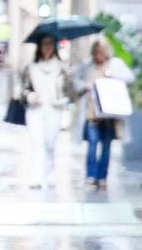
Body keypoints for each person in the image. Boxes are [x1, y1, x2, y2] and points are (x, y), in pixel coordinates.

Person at [74, 38, 129, 189]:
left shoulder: (115, 65)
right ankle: (90, 175)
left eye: (102, 52)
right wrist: (85, 86)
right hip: (92, 115)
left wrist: (112, 76)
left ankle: (102, 177)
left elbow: (130, 77)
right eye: (97, 52)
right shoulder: (87, 66)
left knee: (106, 147)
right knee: (92, 145)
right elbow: (75, 80)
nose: (99, 56)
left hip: (110, 115)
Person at [21, 34, 72, 187]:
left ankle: (49, 173)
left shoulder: (63, 68)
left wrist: (64, 98)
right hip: (35, 110)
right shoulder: (30, 67)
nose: (47, 48)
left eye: (50, 45)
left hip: (54, 109)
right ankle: (36, 177)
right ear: (39, 47)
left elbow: (70, 91)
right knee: (38, 144)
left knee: (50, 143)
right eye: (44, 45)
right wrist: (30, 96)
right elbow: (22, 90)